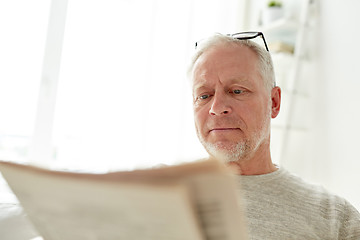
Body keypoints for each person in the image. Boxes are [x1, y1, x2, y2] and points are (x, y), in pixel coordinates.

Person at [188, 32, 360, 239]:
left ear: (274, 102)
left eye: (237, 91)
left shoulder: (336, 218)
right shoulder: (157, 198)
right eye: (204, 95)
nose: (216, 108)